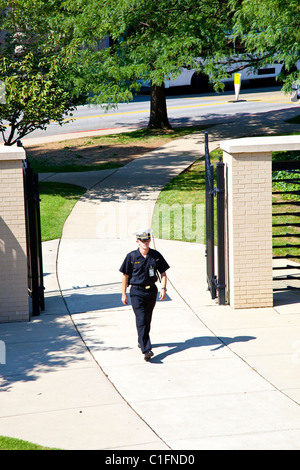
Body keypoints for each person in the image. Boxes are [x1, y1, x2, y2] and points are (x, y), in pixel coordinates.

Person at [120, 229, 170, 361]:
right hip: (136, 292)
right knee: (141, 319)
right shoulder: (131, 257)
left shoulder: (155, 255)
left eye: (147, 240)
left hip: (151, 291)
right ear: (137, 241)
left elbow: (163, 273)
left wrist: (163, 289)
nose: (145, 242)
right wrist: (123, 293)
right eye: (142, 240)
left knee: (147, 319)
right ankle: (146, 349)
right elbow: (125, 276)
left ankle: (141, 340)